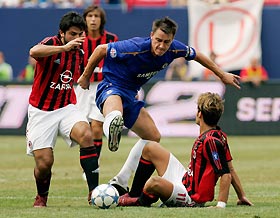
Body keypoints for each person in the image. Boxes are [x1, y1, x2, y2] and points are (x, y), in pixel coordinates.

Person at [78, 17, 240, 194]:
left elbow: (197, 55)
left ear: (171, 40)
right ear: (151, 36)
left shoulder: (175, 48)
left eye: (166, 42)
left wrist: (222, 74)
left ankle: (121, 180)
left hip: (131, 95)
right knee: (115, 113)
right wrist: (86, 76)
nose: (162, 46)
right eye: (158, 41)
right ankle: (112, 130)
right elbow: (101, 49)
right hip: (111, 86)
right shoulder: (135, 47)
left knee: (153, 136)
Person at [118, 92, 253, 208]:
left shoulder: (210, 141)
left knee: (154, 183)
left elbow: (226, 173)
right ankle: (134, 194)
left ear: (199, 114)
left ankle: (140, 201)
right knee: (151, 148)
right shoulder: (218, 135)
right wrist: (241, 196)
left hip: (191, 197)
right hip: (185, 179)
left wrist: (220, 205)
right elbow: (231, 168)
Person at [26, 11, 99, 207]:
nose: (77, 39)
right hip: (41, 111)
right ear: (62, 33)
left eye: (79, 35)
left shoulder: (81, 54)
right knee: (44, 163)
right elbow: (33, 52)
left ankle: (94, 192)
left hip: (67, 107)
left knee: (86, 134)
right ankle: (42, 196)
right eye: (72, 34)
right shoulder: (51, 42)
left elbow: (90, 72)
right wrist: (63, 48)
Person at [74, 5, 118, 182]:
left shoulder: (111, 39)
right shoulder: (78, 40)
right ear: (85, 19)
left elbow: (117, 62)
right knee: (82, 129)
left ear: (101, 20)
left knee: (97, 127)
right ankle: (89, 160)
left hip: (102, 86)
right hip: (82, 87)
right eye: (90, 16)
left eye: (96, 16)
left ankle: (94, 164)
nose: (93, 19)